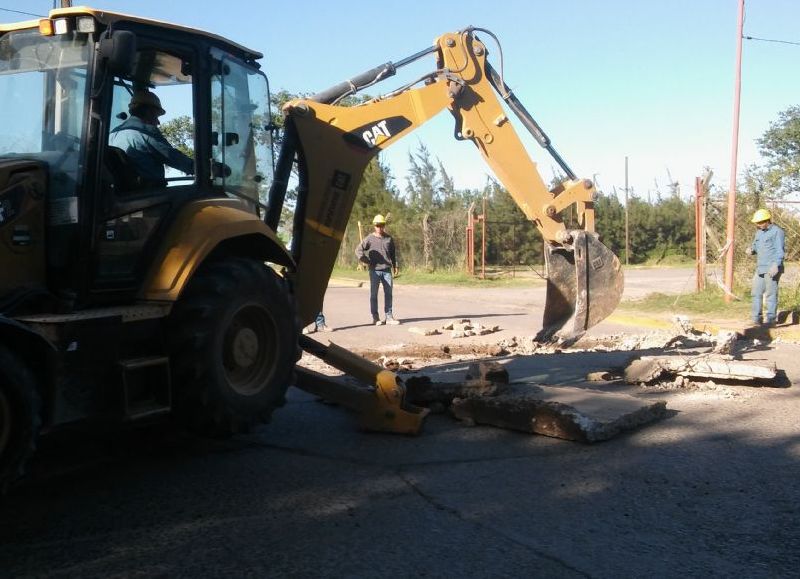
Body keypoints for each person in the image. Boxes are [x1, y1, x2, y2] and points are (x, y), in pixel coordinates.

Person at [109, 89, 194, 185]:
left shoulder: (112, 134)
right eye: (157, 116)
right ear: (149, 112)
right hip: (147, 192)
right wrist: (199, 167)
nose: (158, 122)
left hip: (122, 194)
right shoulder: (146, 131)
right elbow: (172, 157)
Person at [356, 214, 400, 325]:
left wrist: (395, 266)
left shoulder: (389, 239)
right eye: (377, 225)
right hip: (374, 271)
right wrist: (366, 261)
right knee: (374, 294)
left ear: (384, 225)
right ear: (374, 226)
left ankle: (389, 317)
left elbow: (393, 254)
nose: (380, 227)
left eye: (382, 225)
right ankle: (375, 318)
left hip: (386, 271)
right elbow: (358, 250)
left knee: (388, 293)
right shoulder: (369, 239)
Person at [746, 208, 785, 326]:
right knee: (755, 293)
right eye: (756, 223)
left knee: (770, 294)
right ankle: (756, 319)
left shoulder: (777, 232)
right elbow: (756, 246)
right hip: (760, 268)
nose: (758, 225)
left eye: (760, 222)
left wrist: (776, 265)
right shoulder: (759, 232)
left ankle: (771, 320)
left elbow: (780, 250)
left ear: (767, 220)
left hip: (771, 268)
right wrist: (751, 250)